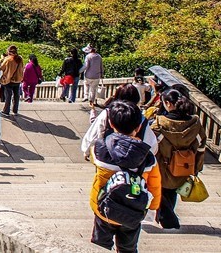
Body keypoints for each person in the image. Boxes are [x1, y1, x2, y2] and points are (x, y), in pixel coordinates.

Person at [89, 100, 161, 253]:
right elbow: (155, 183)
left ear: (111, 123)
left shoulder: (100, 148)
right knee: (128, 247)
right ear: (139, 127)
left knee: (99, 244)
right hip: (134, 209)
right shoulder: (148, 158)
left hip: (104, 206)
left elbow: (92, 158)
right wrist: (153, 207)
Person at [151, 89, 205, 230]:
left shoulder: (159, 123)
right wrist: (197, 167)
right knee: (172, 192)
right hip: (185, 166)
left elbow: (150, 144)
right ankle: (166, 219)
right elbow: (201, 146)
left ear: (168, 103)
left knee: (162, 193)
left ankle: (169, 221)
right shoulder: (195, 123)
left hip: (162, 167)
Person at [80, 84, 159, 157]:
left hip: (108, 157)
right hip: (133, 160)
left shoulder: (108, 113)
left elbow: (95, 134)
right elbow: (152, 144)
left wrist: (87, 151)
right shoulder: (141, 118)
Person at [0, 46, 23, 116]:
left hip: (9, 80)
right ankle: (15, 110)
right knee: (16, 95)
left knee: (8, 95)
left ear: (9, 52)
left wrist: (1, 60)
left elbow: (1, 68)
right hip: (17, 79)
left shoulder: (8, 59)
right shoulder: (20, 59)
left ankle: (6, 111)